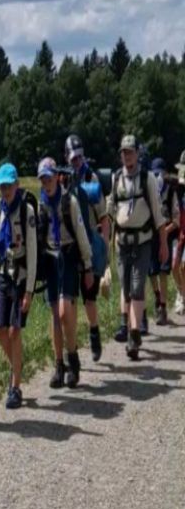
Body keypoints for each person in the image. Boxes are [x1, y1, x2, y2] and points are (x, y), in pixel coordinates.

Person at [107, 135, 168, 360]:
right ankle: (126, 325)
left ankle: (134, 334)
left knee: (137, 287)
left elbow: (158, 214)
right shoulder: (116, 178)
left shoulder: (147, 178)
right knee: (125, 286)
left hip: (142, 242)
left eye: (130, 152)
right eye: (123, 152)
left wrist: (163, 244)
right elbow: (111, 207)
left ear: (137, 153)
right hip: (122, 242)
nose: (127, 156)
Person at [38, 157, 94, 388]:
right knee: (55, 314)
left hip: (68, 257)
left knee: (64, 311)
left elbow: (81, 233)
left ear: (56, 177)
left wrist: (88, 266)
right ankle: (59, 365)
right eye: (43, 180)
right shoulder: (41, 205)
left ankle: (73, 358)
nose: (46, 183)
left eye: (49, 178)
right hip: (50, 259)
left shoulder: (69, 201)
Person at [0, 162, 37, 410]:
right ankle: (17, 367)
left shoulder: (27, 212)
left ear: (17, 185)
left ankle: (15, 386)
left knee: (15, 331)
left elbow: (33, 253)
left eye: (9, 186)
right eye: (2, 187)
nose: (6, 191)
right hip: (3, 276)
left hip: (21, 276)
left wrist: (29, 291)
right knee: (0, 330)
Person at [63, 134, 110, 361]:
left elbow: (104, 217)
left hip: (90, 244)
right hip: (70, 246)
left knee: (89, 297)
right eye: (73, 158)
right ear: (66, 158)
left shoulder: (92, 178)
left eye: (80, 157)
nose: (77, 162)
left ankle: (94, 332)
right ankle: (71, 348)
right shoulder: (63, 180)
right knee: (70, 299)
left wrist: (104, 249)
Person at [148, 158, 180, 325]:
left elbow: (177, 220)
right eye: (154, 173)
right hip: (151, 235)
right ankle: (157, 297)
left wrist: (164, 232)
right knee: (151, 271)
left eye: (159, 173)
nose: (157, 177)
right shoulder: (148, 191)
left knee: (162, 271)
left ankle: (163, 307)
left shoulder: (171, 191)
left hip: (166, 235)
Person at [173, 153, 185, 315]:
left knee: (183, 266)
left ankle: (182, 297)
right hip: (178, 231)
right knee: (174, 266)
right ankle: (180, 292)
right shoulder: (177, 188)